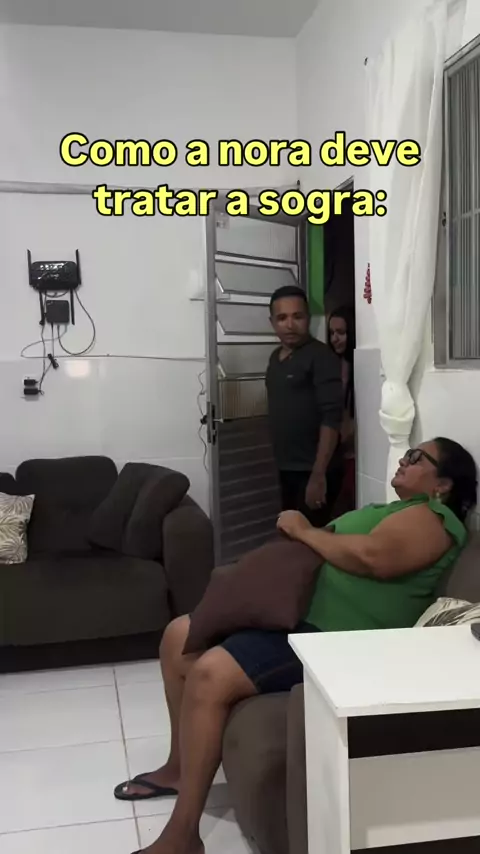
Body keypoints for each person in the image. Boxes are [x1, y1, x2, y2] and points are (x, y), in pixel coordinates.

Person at [113, 437, 477, 854]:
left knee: (211, 673)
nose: (404, 460)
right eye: (407, 453)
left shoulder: (433, 518)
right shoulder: (394, 510)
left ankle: (183, 836)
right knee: (178, 636)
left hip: (336, 639)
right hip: (298, 617)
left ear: (443, 484)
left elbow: (374, 557)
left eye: (416, 457)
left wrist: (304, 530)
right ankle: (179, 768)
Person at [266, 285, 344, 527]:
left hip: (315, 470)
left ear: (308, 318)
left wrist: (318, 475)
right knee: (289, 531)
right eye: (282, 318)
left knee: (310, 538)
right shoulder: (275, 358)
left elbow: (332, 418)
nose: (290, 325)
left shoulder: (321, 357)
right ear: (272, 322)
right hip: (287, 467)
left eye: (297, 316)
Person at [328, 306, 356, 515]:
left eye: (341, 332)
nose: (334, 339)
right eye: (331, 333)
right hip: (336, 450)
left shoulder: (360, 365)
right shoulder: (332, 365)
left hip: (355, 451)